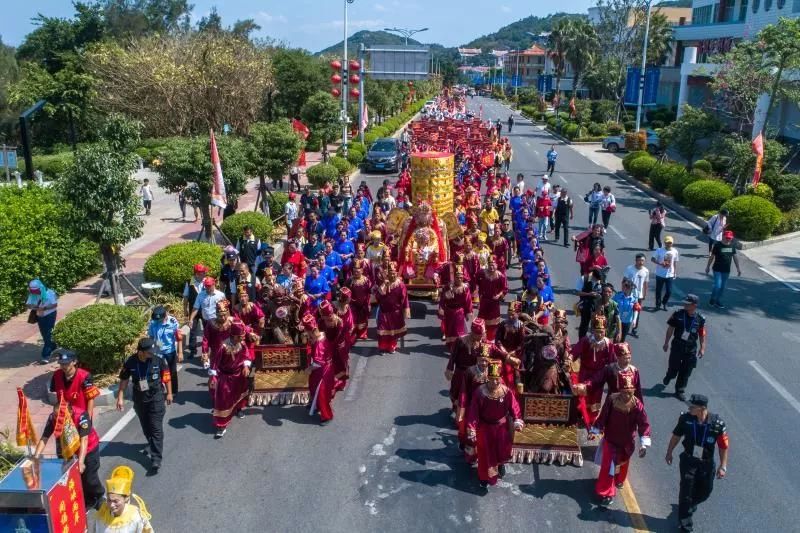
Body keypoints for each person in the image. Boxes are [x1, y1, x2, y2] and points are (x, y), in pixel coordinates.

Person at [665, 394, 729, 532]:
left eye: (692, 407)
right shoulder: (686, 419)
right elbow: (676, 436)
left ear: (702, 408)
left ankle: (689, 505)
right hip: (688, 460)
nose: (689, 409)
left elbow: (723, 446)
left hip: (706, 463)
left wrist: (723, 466)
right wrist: (669, 452)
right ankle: (685, 524)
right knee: (686, 491)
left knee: (706, 491)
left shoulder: (717, 424)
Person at [33, 397, 105, 510]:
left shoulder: (81, 416)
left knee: (89, 478)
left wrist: (81, 462)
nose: (59, 419)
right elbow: (45, 438)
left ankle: (99, 496)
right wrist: (35, 457)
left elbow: (84, 440)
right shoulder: (53, 417)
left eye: (62, 416)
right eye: (57, 416)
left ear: (70, 412)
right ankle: (84, 499)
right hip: (67, 450)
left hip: (88, 449)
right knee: (71, 477)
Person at [592, 374, 651, 507]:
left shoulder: (637, 406)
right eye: (624, 392)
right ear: (620, 390)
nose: (627, 395)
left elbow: (644, 424)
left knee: (622, 463)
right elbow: (603, 417)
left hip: (627, 442)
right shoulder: (612, 400)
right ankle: (606, 493)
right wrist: (596, 430)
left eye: (630, 392)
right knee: (609, 467)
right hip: (611, 440)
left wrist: (644, 444)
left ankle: (619, 480)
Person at [116, 338, 172, 472]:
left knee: (156, 427)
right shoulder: (131, 361)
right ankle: (151, 443)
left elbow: (167, 377)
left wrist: (169, 393)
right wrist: (120, 397)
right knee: (146, 427)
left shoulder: (158, 361)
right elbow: (124, 379)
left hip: (156, 396)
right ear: (141, 352)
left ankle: (156, 459)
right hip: (140, 398)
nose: (152, 353)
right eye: (149, 352)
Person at [466, 361, 524, 490]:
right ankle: (484, 478)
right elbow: (474, 412)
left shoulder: (506, 391)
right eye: (492, 379)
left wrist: (517, 419)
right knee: (485, 454)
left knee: (502, 450)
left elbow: (514, 407)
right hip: (485, 429)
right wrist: (472, 427)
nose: (495, 382)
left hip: (501, 427)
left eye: (497, 379)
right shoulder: (480, 392)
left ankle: (500, 463)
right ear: (488, 379)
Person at [209, 320, 253, 438]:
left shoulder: (242, 344)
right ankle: (221, 426)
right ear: (233, 335)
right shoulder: (222, 347)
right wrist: (213, 378)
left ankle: (239, 409)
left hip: (239, 375)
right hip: (226, 377)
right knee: (222, 401)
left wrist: (246, 366)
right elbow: (215, 364)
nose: (243, 337)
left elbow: (246, 356)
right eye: (240, 336)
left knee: (239, 393)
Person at [662, 294, 706, 401]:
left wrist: (702, 348)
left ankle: (679, 390)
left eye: (688, 304)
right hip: (678, 345)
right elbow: (670, 328)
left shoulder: (700, 319)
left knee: (686, 371)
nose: (685, 305)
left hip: (691, 348)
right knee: (674, 368)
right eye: (685, 303)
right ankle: (670, 375)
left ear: (694, 305)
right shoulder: (678, 314)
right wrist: (666, 342)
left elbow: (702, 334)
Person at [94, 466, 154, 533]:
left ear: (126, 498)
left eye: (115, 501)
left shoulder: (135, 517)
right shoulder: (102, 514)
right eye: (109, 500)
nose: (111, 505)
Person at [304, 314, 336, 425]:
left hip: (323, 372)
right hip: (322, 369)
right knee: (313, 388)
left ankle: (327, 416)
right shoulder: (321, 335)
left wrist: (308, 369)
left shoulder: (318, 344)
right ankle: (316, 405)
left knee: (321, 393)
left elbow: (318, 363)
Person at [49, 349, 99, 418]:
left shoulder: (85, 376)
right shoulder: (56, 375)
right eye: (61, 364)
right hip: (64, 416)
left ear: (74, 362)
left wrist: (88, 417)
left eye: (67, 363)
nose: (64, 366)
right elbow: (55, 391)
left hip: (81, 416)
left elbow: (91, 398)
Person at [374, 262, 410, 354]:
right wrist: (384, 286)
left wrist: (405, 311)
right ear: (388, 274)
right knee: (383, 331)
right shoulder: (383, 284)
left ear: (396, 273)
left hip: (395, 313)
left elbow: (405, 299)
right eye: (390, 273)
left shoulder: (401, 285)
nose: (392, 274)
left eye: (394, 273)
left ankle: (392, 347)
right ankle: (383, 347)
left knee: (394, 332)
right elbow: (377, 297)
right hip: (384, 311)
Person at [147, 305, 182, 395]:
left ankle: (174, 391)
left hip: (170, 351)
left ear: (165, 315)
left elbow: (179, 337)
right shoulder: (153, 322)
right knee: (158, 372)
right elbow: (151, 337)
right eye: (157, 320)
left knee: (172, 372)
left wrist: (180, 352)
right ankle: (160, 388)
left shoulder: (172, 322)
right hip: (158, 352)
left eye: (160, 320)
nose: (158, 322)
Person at [705, 230, 741, 309]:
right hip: (717, 269)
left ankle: (718, 300)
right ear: (723, 236)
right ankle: (712, 299)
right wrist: (707, 267)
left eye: (729, 238)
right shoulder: (718, 245)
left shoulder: (732, 246)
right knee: (717, 285)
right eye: (727, 237)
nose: (728, 239)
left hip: (726, 270)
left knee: (723, 287)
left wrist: (738, 268)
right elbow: (712, 257)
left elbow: (735, 257)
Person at [26, 279, 58, 364]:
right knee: (44, 333)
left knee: (48, 332)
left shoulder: (50, 293)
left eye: (36, 291)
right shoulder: (32, 294)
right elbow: (28, 304)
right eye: (33, 291)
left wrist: (45, 308)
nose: (35, 293)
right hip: (39, 315)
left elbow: (55, 305)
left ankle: (45, 355)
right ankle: (53, 345)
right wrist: (34, 307)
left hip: (50, 314)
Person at [476, 256, 507, 341]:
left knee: (493, 324)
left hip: (494, 302)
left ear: (496, 265)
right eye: (490, 265)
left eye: (493, 265)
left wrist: (499, 295)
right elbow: (476, 281)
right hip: (484, 301)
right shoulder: (482, 273)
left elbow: (504, 289)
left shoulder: (501, 276)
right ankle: (481, 338)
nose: (491, 267)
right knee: (481, 322)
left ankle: (491, 340)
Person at [183, 264, 209, 359]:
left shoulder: (207, 281)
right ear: (197, 274)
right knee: (192, 330)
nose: (205, 273)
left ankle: (206, 349)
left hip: (205, 310)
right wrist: (185, 310)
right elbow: (185, 297)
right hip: (193, 310)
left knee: (207, 330)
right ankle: (192, 350)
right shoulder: (189, 282)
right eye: (203, 272)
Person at [623, 254, 649, 335]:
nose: (641, 262)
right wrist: (623, 291)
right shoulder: (630, 269)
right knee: (627, 310)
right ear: (636, 261)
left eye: (642, 260)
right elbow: (624, 280)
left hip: (639, 295)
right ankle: (624, 326)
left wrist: (644, 294)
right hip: (628, 294)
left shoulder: (646, 271)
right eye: (639, 260)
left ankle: (634, 328)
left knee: (636, 311)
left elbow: (645, 283)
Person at [652, 235, 679, 310]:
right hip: (660, 274)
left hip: (669, 274)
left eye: (670, 242)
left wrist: (675, 272)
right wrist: (660, 263)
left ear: (672, 243)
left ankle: (664, 302)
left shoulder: (675, 251)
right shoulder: (659, 250)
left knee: (669, 291)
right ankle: (658, 304)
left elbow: (675, 263)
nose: (668, 244)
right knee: (658, 291)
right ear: (664, 243)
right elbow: (652, 259)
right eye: (667, 242)